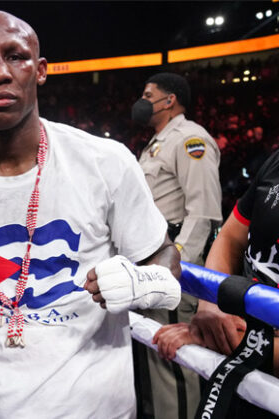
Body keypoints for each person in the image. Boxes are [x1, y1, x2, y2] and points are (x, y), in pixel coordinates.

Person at [0, 10, 182, 418]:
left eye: (15, 56)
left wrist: (145, 280)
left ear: (41, 70)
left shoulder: (106, 163)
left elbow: (165, 257)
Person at [133, 72, 222, 419]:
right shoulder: (155, 144)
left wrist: (174, 267)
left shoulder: (190, 139)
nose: (141, 102)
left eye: (147, 94)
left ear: (169, 100)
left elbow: (202, 213)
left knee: (174, 363)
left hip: (170, 266)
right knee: (153, 355)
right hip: (149, 260)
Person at [154, 148, 279, 375]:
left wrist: (234, 341)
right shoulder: (276, 162)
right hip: (244, 346)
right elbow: (231, 237)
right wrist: (213, 309)